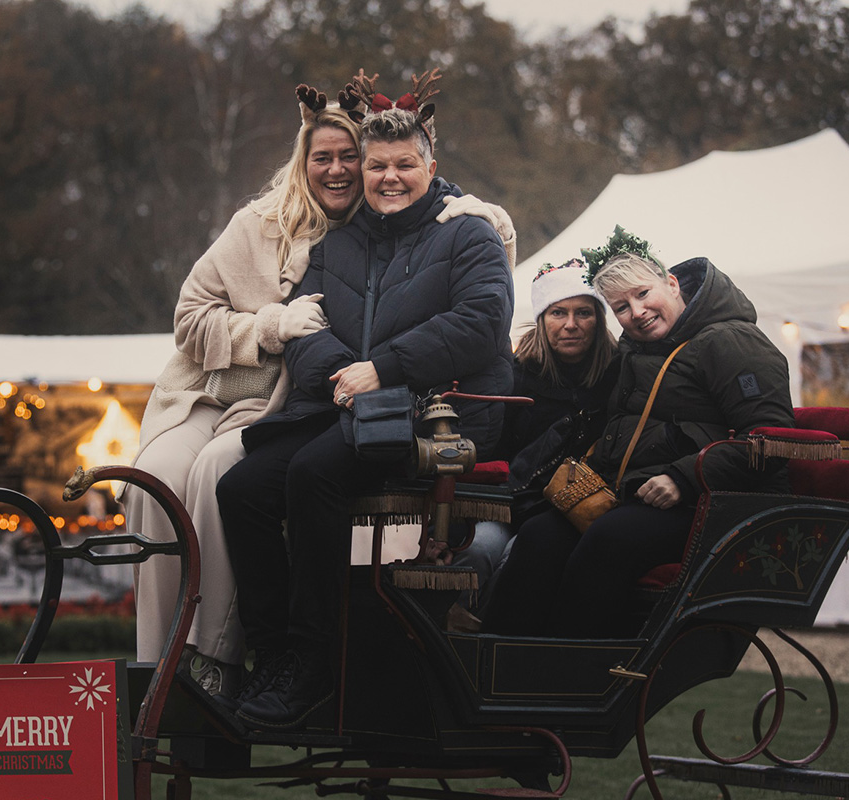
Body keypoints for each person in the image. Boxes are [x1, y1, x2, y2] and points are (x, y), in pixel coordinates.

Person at [124, 80, 516, 696]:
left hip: (435, 409)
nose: (387, 178)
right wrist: (342, 376)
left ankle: (312, 661)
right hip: (337, 405)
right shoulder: (343, 240)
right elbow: (307, 323)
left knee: (311, 477)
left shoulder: (467, 231)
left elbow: (480, 323)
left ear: (430, 167)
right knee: (243, 487)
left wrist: (381, 369)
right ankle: (266, 652)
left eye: (403, 166)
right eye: (377, 166)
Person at [481, 227, 794, 638]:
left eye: (643, 294)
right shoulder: (635, 349)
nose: (637, 312)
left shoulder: (731, 340)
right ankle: (500, 660)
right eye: (622, 307)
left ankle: (573, 672)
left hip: (711, 501)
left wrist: (686, 477)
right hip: (635, 491)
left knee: (609, 539)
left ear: (671, 282)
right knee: (541, 532)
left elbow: (772, 440)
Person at [450, 258, 617, 619]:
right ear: (542, 319)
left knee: (521, 555)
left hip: (571, 511)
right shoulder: (514, 375)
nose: (570, 325)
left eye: (583, 313)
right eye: (558, 313)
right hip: (508, 503)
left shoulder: (617, 378)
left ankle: (495, 636)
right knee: (477, 549)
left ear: (599, 319)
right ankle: (456, 641)